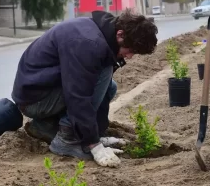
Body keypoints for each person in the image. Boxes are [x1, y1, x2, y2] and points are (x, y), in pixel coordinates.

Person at [11, 10, 158, 168]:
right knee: (103, 73)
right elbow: (78, 96)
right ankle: (66, 139)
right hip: (35, 100)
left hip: (46, 90)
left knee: (109, 86)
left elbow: (92, 91)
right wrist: (93, 145)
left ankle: (45, 126)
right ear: (120, 34)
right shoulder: (89, 44)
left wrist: (97, 135)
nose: (129, 56)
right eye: (131, 50)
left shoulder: (102, 34)